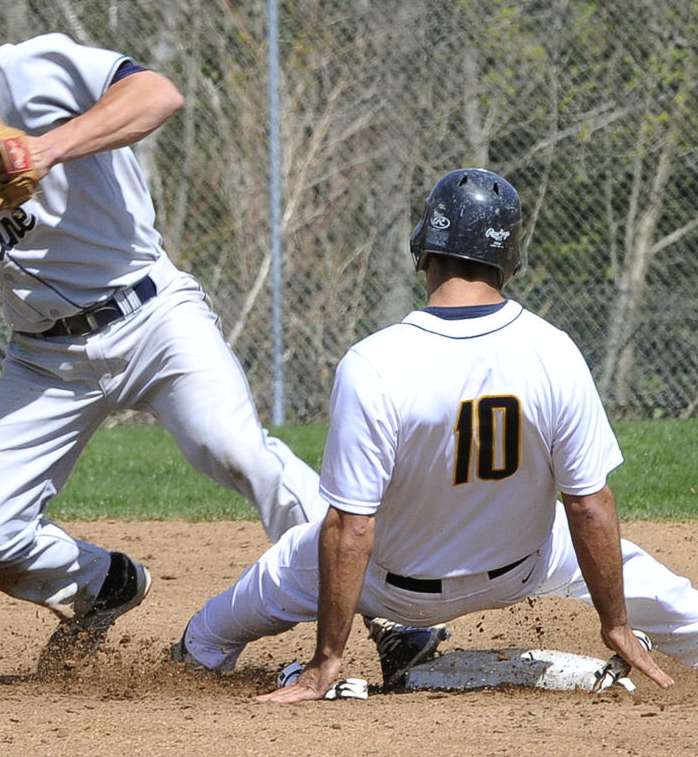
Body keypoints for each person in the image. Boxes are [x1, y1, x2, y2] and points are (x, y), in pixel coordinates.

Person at [0, 0, 437, 672]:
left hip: (151, 319)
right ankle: (104, 584)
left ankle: (386, 614)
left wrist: (45, 146)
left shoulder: (30, 69)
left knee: (239, 452)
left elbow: (158, 93)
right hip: (44, 357)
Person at [170, 167, 698, 702]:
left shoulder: (373, 363)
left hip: (395, 590)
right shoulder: (554, 350)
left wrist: (325, 661)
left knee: (241, 605)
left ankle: (196, 654)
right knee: (675, 602)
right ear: (509, 257)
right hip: (527, 566)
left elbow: (351, 527)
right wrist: (615, 623)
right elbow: (589, 506)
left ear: (425, 247)